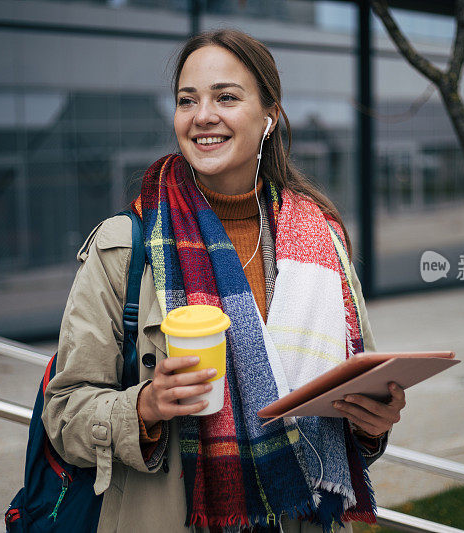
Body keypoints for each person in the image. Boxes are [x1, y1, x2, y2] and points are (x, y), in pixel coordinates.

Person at [42, 29, 407, 533]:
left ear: (269, 115)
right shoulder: (123, 245)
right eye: (186, 100)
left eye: (226, 97)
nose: (203, 116)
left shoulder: (320, 238)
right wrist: (143, 407)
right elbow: (63, 413)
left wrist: (371, 427)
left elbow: (351, 389)